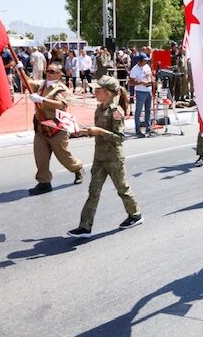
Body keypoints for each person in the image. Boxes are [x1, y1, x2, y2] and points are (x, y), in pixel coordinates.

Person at [67, 75, 143, 238]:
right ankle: (85, 227)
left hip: (114, 158)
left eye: (98, 90)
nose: (95, 92)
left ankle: (135, 215)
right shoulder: (99, 108)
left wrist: (99, 131)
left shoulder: (116, 112)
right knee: (93, 192)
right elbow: (98, 131)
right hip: (99, 157)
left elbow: (120, 138)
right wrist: (83, 132)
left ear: (108, 93)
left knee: (122, 189)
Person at [19, 62, 84, 195]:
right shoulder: (42, 85)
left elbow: (61, 104)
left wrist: (42, 100)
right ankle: (44, 183)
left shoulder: (61, 89)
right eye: (48, 70)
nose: (49, 73)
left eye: (52, 71)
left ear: (60, 75)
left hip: (56, 128)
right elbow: (28, 82)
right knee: (40, 156)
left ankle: (77, 169)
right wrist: (20, 70)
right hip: (41, 127)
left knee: (63, 156)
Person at [129, 53, 153, 138]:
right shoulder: (134, 69)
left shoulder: (147, 67)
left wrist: (152, 81)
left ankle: (148, 128)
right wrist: (141, 82)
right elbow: (130, 82)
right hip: (140, 91)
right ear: (140, 61)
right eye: (145, 60)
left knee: (148, 110)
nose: (146, 62)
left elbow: (150, 76)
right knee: (138, 111)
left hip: (148, 90)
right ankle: (138, 130)